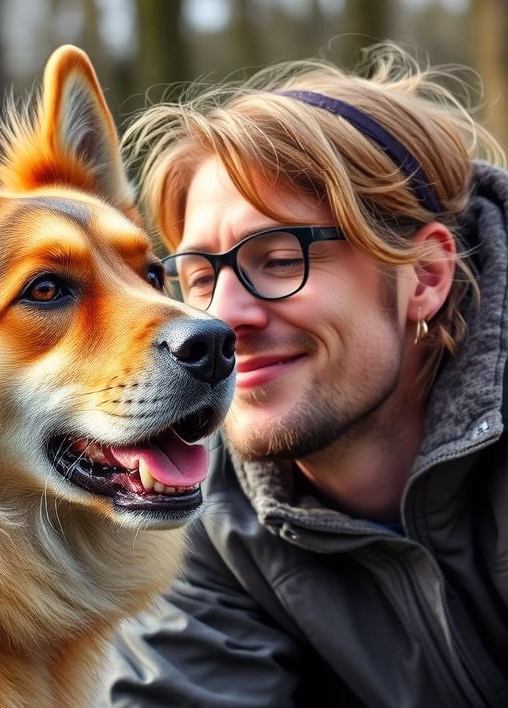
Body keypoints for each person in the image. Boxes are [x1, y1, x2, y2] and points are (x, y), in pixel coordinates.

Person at [99, 43, 508, 707]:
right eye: (200, 276)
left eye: (280, 259)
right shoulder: (199, 513)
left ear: (425, 277)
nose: (221, 318)